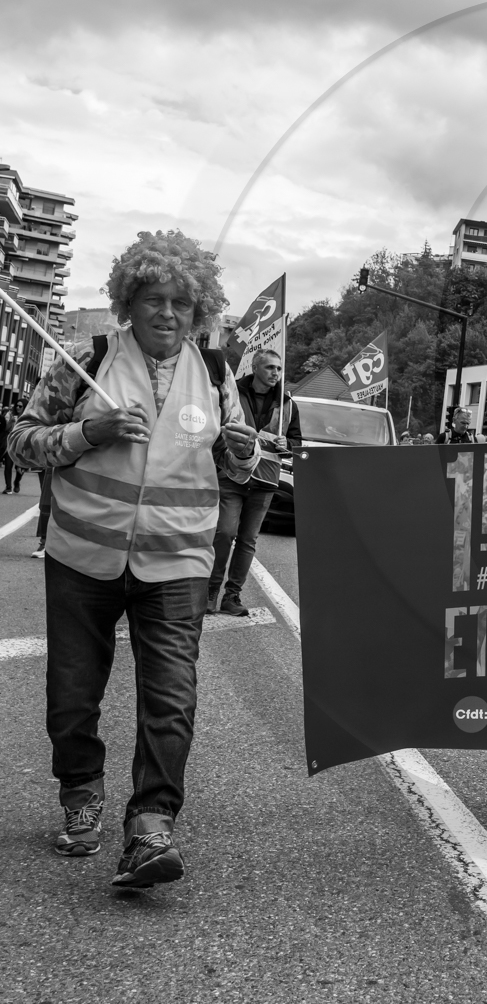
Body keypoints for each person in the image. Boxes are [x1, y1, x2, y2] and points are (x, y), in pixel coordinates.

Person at [7, 229, 260, 890]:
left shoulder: (214, 371)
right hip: (82, 559)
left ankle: (151, 825)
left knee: (171, 698)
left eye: (181, 302)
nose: (167, 313)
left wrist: (244, 448)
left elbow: (246, 462)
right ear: (129, 301)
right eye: (153, 299)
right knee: (72, 693)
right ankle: (81, 796)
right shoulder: (86, 358)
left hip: (176, 566)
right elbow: (22, 442)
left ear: (199, 309)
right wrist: (88, 432)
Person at [208, 348, 302, 616]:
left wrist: (289, 443)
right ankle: (211, 592)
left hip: (266, 478)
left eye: (279, 369)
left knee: (248, 540)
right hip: (231, 473)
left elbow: (297, 442)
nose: (276, 373)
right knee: (225, 533)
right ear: (255, 367)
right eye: (271, 367)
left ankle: (232, 596)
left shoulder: (288, 404)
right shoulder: (232, 392)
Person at [2, 401, 25, 494]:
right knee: (8, 465)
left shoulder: (27, 416)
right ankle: (8, 487)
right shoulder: (10, 415)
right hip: (10, 444)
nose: (18, 408)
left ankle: (17, 482)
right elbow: (5, 429)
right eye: (17, 406)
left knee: (20, 468)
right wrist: (11, 422)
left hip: (21, 445)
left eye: (20, 406)